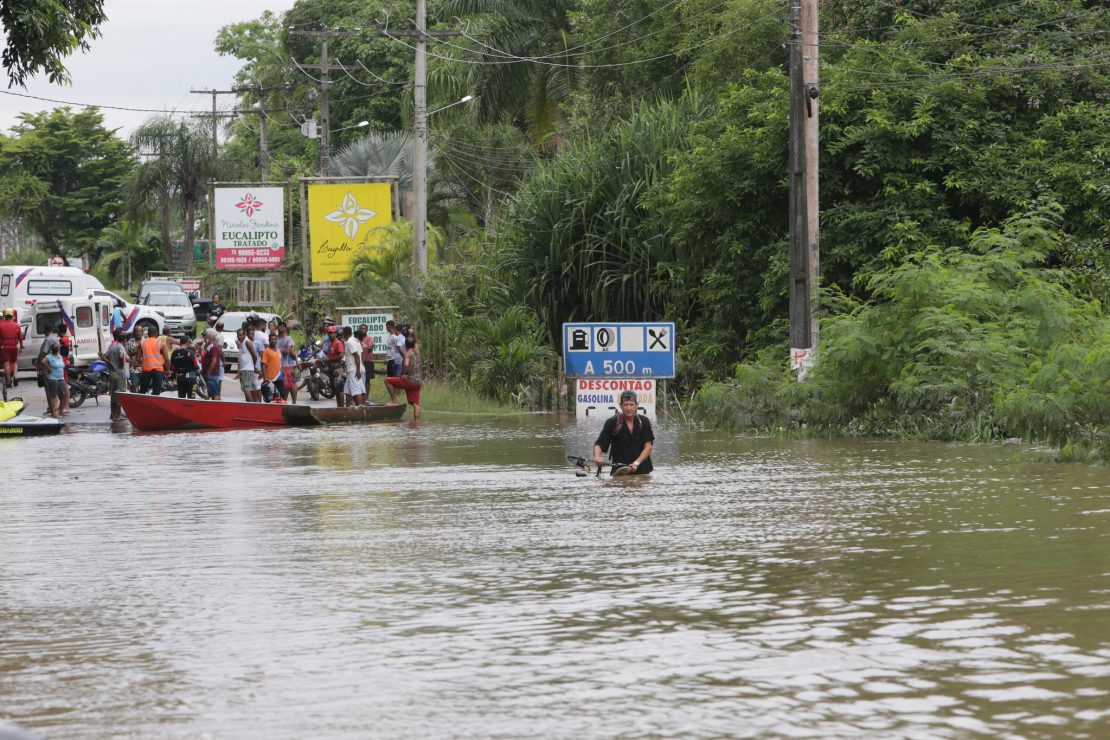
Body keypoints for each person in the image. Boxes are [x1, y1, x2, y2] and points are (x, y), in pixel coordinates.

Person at [592, 389, 654, 476]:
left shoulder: (644, 421)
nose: (629, 408)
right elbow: (599, 444)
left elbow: (648, 447)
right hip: (619, 472)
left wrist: (636, 463)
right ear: (620, 405)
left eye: (631, 404)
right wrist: (597, 456)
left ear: (637, 405)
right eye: (625, 405)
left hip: (643, 471)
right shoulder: (612, 422)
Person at [385, 328, 423, 419]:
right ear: (414, 344)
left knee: (387, 380)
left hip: (409, 381)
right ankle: (417, 422)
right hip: (418, 382)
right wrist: (413, 333)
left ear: (405, 344)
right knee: (416, 404)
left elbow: (406, 365)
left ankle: (394, 400)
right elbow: (416, 341)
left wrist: (402, 374)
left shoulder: (407, 354)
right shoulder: (417, 350)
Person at [102, 328, 129, 421]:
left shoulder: (112, 346)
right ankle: (117, 415)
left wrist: (110, 364)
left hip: (113, 373)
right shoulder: (120, 347)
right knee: (120, 396)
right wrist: (122, 364)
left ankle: (113, 414)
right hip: (119, 374)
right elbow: (122, 356)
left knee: (114, 396)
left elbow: (103, 356)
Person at [39, 341, 66, 417]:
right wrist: (49, 368)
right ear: (53, 349)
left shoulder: (60, 356)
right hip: (53, 378)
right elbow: (43, 361)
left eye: (57, 347)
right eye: (56, 347)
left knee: (64, 394)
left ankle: (61, 410)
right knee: (53, 395)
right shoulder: (49, 356)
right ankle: (53, 412)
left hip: (61, 377)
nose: (57, 348)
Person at [139, 326, 167, 395]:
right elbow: (166, 358)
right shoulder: (162, 343)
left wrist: (143, 363)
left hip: (146, 370)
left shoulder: (142, 343)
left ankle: (140, 404)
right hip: (158, 371)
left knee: (142, 391)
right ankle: (153, 404)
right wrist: (168, 369)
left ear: (148, 334)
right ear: (157, 333)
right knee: (156, 392)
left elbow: (137, 358)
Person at [342, 326, 366, 406]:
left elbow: (357, 356)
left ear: (345, 333)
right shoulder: (356, 341)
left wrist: (358, 370)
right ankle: (347, 408)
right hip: (354, 369)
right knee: (348, 390)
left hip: (354, 369)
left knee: (356, 390)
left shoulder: (350, 342)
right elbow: (361, 354)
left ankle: (360, 408)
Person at [0, 308, 23, 387]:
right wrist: (22, 347)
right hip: (14, 346)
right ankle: (15, 377)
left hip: (4, 347)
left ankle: (9, 381)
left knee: (6, 364)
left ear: (5, 316)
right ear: (12, 316)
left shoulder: (0, 325)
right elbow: (20, 337)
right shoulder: (16, 325)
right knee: (14, 362)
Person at [238, 325, 261, 402]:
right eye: (238, 335)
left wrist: (253, 365)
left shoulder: (247, 342)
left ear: (245, 335)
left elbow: (254, 355)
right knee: (247, 388)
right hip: (243, 369)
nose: (239, 336)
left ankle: (251, 405)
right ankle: (249, 403)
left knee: (246, 388)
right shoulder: (241, 343)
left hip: (247, 369)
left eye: (241, 335)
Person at [324, 325, 346, 407]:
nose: (330, 335)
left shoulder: (338, 343)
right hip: (331, 368)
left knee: (339, 389)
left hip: (337, 368)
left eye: (332, 333)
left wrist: (330, 359)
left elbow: (341, 355)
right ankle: (338, 406)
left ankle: (341, 407)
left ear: (335, 334)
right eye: (329, 333)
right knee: (335, 389)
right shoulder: (330, 344)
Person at [276, 322, 298, 403]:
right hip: (278, 365)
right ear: (277, 328)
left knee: (290, 384)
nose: (281, 328)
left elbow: (287, 351)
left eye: (283, 326)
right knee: (285, 385)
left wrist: (279, 350)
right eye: (279, 326)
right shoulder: (275, 338)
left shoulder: (289, 339)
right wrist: (283, 349)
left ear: (285, 328)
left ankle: (293, 402)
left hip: (288, 365)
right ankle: (283, 401)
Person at [200, 328, 224, 400]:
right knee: (211, 393)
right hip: (209, 373)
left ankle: (218, 408)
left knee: (215, 394)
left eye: (206, 336)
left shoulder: (213, 347)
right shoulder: (209, 346)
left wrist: (208, 372)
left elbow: (214, 361)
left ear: (210, 336)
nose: (205, 337)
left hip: (212, 374)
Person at [260, 332, 282, 403]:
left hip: (279, 378)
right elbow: (263, 365)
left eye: (274, 339)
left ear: (276, 340)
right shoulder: (266, 351)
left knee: (279, 397)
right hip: (270, 380)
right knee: (270, 399)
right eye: (271, 339)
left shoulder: (278, 350)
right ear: (269, 340)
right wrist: (265, 378)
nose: (273, 341)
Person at [126, 325, 145, 392]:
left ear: (142, 332)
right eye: (136, 331)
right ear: (134, 332)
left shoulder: (146, 341)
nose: (138, 333)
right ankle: (133, 398)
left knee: (144, 386)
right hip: (133, 368)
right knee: (134, 385)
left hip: (144, 368)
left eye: (140, 331)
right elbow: (126, 354)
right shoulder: (129, 342)